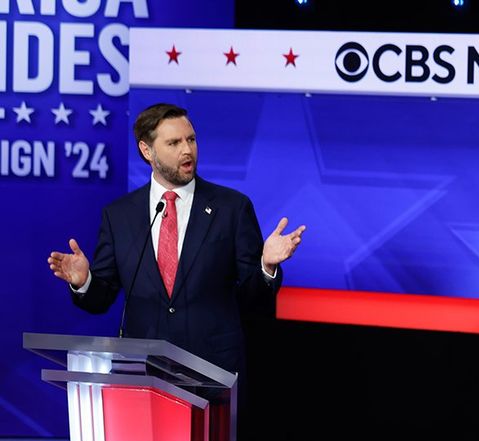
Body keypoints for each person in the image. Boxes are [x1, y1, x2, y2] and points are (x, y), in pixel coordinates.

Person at [47, 103, 305, 375]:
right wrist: (85, 282)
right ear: (147, 151)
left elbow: (254, 301)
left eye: (191, 140)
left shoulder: (232, 208)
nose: (187, 150)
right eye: (173, 143)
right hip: (141, 370)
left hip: (212, 370)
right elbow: (101, 299)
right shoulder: (119, 215)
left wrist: (266, 267)